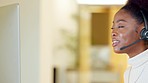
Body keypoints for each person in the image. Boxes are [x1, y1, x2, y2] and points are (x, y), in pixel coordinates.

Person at [111, 0, 148, 83]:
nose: (113, 33)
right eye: (112, 28)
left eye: (120, 26)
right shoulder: (128, 73)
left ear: (144, 31)